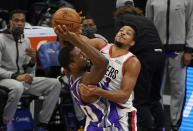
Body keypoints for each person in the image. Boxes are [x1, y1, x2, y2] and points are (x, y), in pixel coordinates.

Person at [57, 15, 141, 130]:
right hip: (99, 106)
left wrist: (98, 91)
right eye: (121, 30)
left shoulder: (132, 62)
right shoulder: (100, 44)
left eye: (128, 33)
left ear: (132, 42)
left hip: (121, 112)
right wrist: (72, 25)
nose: (122, 33)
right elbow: (76, 45)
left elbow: (124, 97)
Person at [0, 9, 61, 131]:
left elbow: (28, 69)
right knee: (18, 87)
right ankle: (4, 124)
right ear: (9, 22)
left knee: (55, 84)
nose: (20, 23)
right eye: (16, 20)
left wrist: (32, 62)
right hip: (5, 79)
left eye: (22, 21)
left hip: (21, 79)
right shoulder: (1, 39)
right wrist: (15, 76)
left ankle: (42, 125)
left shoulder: (26, 41)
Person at [55, 25, 121, 130]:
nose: (85, 56)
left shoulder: (70, 75)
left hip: (92, 125)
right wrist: (75, 40)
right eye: (81, 55)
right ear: (72, 65)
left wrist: (64, 33)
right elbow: (103, 62)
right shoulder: (86, 81)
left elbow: (65, 54)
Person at [113, 5, 166, 131]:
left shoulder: (122, 20)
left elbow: (119, 44)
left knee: (140, 100)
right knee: (154, 97)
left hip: (145, 57)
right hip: (160, 55)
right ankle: (161, 126)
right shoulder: (146, 20)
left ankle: (145, 128)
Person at [146, 0, 193, 130]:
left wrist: (189, 49)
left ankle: (175, 125)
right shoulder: (152, 1)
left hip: (179, 52)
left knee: (179, 90)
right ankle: (159, 122)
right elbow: (148, 24)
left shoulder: (187, 1)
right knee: (156, 89)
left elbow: (191, 24)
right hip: (157, 51)